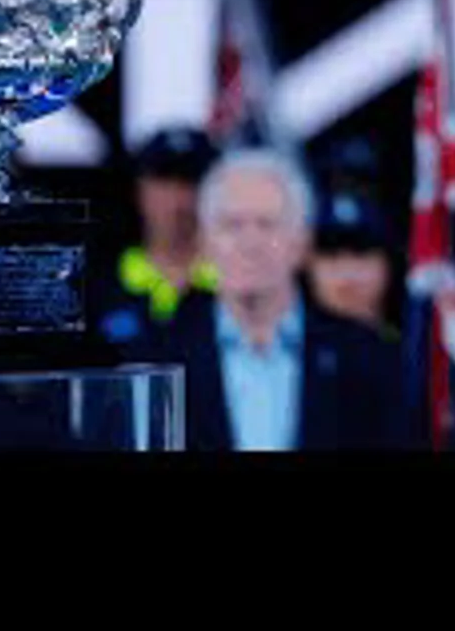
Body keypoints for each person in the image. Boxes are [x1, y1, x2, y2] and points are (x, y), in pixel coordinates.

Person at [152, 149, 412, 450]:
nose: (250, 243)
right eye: (232, 225)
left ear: (301, 241)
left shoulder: (370, 356)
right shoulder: (158, 358)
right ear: (205, 241)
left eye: (267, 224)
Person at [92, 126, 220, 354]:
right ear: (139, 189)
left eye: (191, 180)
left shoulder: (239, 280)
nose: (178, 199)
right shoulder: (98, 284)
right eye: (163, 180)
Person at [308, 188, 399, 336]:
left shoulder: (416, 351)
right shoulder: (282, 353)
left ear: (388, 264)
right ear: (309, 264)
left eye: (361, 251)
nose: (347, 270)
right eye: (331, 254)